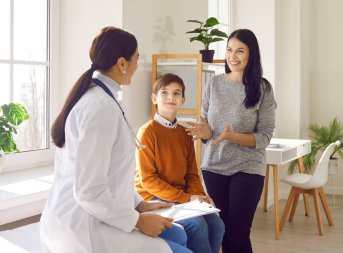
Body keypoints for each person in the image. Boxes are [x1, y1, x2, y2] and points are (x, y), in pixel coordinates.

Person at [40, 27, 193, 253]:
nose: (137, 64)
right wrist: (138, 220)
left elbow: (110, 175)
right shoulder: (99, 107)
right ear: (122, 63)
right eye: (136, 59)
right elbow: (88, 191)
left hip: (89, 214)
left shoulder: (103, 98)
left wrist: (139, 204)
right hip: (84, 227)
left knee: (178, 233)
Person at [186, 29, 277, 253]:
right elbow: (206, 127)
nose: (232, 56)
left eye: (239, 51)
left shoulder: (262, 88)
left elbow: (264, 137)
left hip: (248, 167)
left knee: (238, 235)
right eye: (229, 49)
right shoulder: (213, 84)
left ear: (251, 55)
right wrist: (204, 132)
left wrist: (232, 136)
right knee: (221, 232)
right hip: (214, 166)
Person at [134, 73, 225, 253]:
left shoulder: (185, 133)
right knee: (197, 226)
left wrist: (201, 198)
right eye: (164, 92)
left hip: (180, 197)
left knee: (217, 223)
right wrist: (187, 198)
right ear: (154, 98)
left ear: (182, 100)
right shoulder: (147, 132)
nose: (170, 97)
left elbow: (191, 174)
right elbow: (148, 180)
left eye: (176, 93)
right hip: (152, 197)